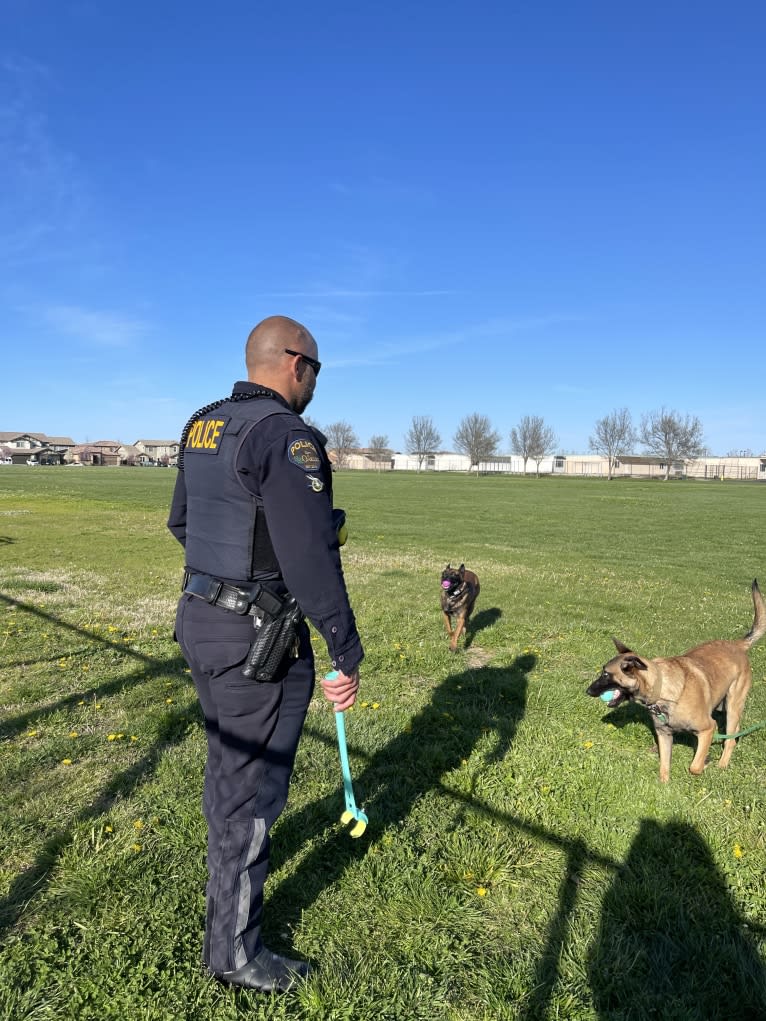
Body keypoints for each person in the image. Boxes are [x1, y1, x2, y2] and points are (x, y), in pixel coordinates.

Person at [167, 315, 363, 993]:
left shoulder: (204, 423)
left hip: (200, 620)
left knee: (230, 771)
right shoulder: (287, 435)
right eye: (315, 370)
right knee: (252, 791)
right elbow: (310, 558)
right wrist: (345, 648)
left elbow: (183, 522)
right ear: (293, 363)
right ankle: (236, 953)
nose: (313, 384)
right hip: (258, 640)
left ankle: (228, 901)